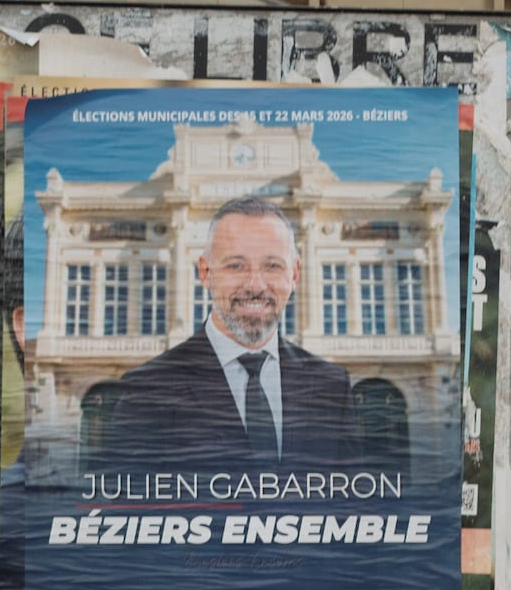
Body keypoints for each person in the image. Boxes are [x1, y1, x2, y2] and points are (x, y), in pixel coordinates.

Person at [98, 198, 356, 469]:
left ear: (294, 274)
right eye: (236, 266)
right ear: (205, 273)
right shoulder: (147, 391)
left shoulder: (333, 388)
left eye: (272, 266)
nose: (255, 285)